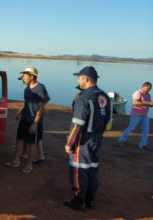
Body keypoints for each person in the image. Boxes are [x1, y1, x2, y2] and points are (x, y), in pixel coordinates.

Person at [64, 66, 111, 211]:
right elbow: (109, 123)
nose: (78, 80)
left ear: (86, 79)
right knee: (93, 168)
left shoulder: (84, 97)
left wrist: (70, 142)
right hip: (97, 139)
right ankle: (90, 199)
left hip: (83, 141)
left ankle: (79, 200)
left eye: (79, 78)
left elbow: (77, 125)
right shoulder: (105, 96)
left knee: (79, 170)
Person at [4, 67, 47, 173]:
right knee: (19, 140)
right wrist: (19, 112)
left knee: (32, 143)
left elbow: (41, 108)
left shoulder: (40, 89)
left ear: (32, 77)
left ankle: (29, 165)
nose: (23, 78)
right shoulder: (26, 89)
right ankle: (16, 161)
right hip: (24, 119)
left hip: (33, 121)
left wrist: (35, 123)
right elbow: (26, 103)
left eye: (25, 76)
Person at [118, 82, 153, 149]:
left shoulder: (148, 95)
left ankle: (143, 145)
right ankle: (121, 140)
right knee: (131, 128)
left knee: (146, 130)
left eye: (150, 89)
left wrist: (151, 104)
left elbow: (147, 104)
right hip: (136, 115)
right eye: (148, 88)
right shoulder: (138, 93)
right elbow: (136, 102)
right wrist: (148, 103)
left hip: (144, 115)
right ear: (144, 86)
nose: (149, 90)